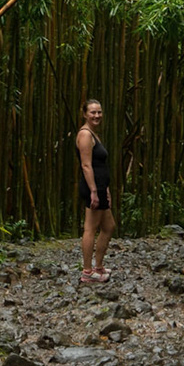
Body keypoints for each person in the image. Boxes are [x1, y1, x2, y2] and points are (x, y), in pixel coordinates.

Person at [76, 99, 114, 281]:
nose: (97, 115)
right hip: (92, 187)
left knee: (108, 226)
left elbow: (100, 164)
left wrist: (105, 189)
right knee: (90, 228)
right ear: (85, 114)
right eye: (92, 112)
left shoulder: (93, 134)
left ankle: (98, 267)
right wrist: (93, 191)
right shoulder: (85, 134)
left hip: (99, 186)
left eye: (99, 112)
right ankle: (87, 272)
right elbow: (86, 165)